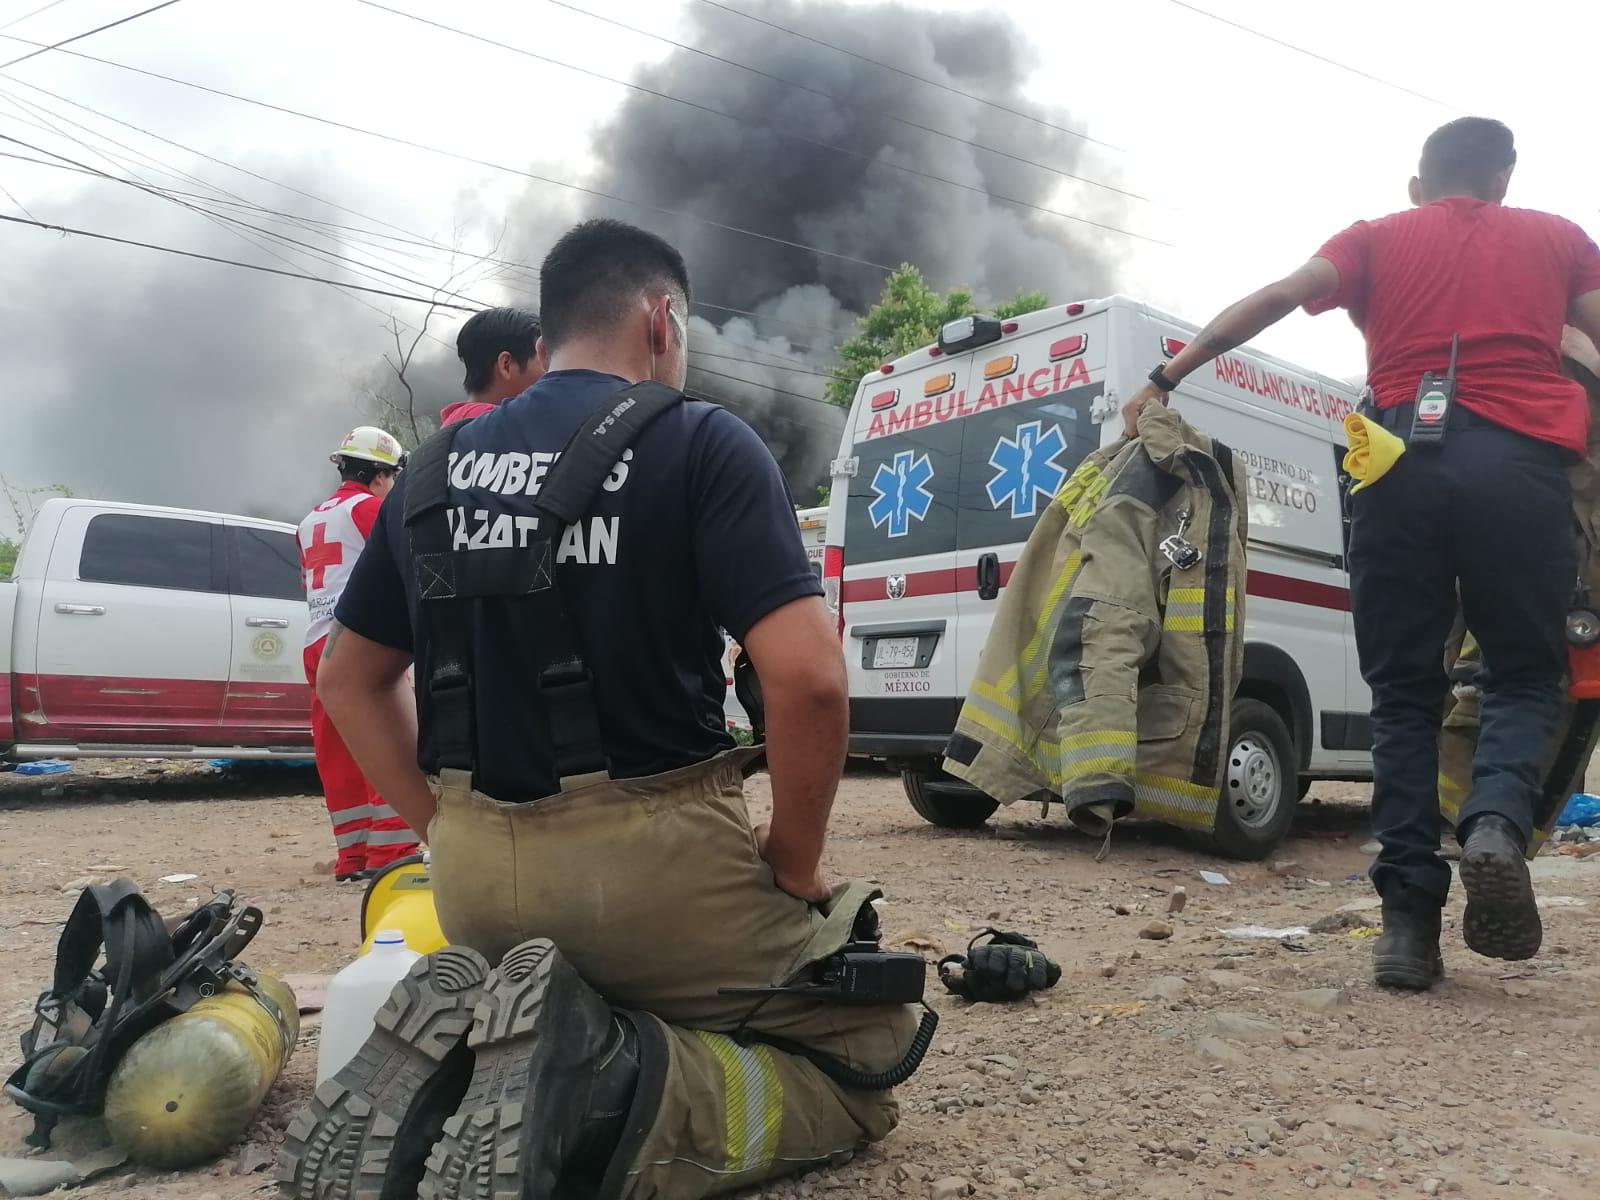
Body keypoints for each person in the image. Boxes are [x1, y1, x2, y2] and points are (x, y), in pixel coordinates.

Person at [287, 219, 916, 1200]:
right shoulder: (701, 442)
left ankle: (475, 1075)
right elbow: (809, 678)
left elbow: (347, 681)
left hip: (471, 889)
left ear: (548, 332)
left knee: (605, 984)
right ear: (662, 319)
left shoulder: (427, 472)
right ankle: (601, 1092)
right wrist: (792, 859)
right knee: (868, 1048)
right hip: (649, 881)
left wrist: (439, 825)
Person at [1120, 117, 1600, 990]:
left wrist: (1168, 376)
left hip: (1395, 467)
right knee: (1527, 673)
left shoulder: (1376, 237)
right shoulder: (1562, 241)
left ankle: (1407, 932)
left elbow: (1275, 295)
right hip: (1520, 471)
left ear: (1420, 184)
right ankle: (1493, 824)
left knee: (1406, 696)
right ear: (1503, 179)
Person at [295, 427, 419, 881]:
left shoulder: (310, 521)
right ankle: (393, 851)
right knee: (385, 736)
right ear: (381, 475)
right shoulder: (371, 508)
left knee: (337, 749)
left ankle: (352, 856)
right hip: (362, 642)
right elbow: (401, 563)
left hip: (316, 643)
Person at [439, 304, 544, 425]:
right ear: (506, 365)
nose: (551, 371)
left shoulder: (461, 423)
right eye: (544, 360)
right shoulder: (496, 427)